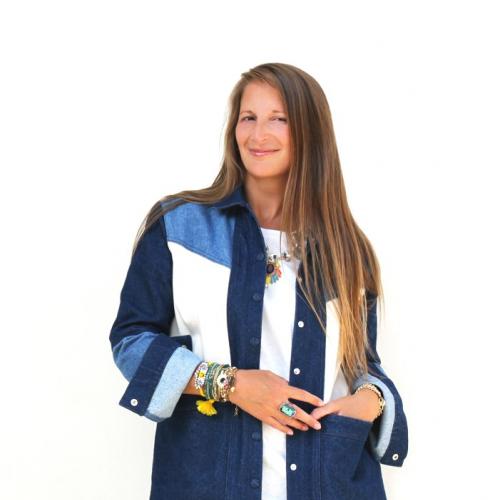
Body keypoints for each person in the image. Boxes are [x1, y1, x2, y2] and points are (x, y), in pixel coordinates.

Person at [109, 62, 408, 500]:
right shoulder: (179, 227)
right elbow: (131, 341)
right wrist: (229, 384)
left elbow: (361, 364)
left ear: (310, 133)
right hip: (209, 485)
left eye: (278, 119)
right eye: (248, 117)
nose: (257, 134)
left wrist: (371, 401)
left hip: (327, 483)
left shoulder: (348, 249)